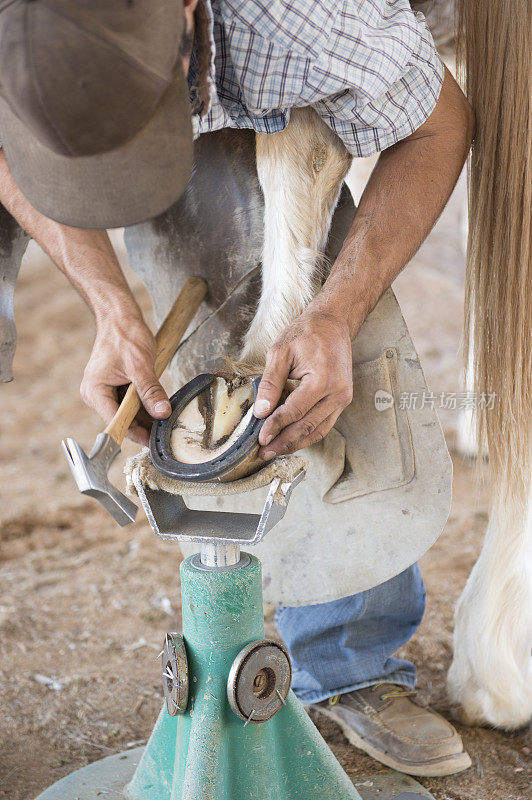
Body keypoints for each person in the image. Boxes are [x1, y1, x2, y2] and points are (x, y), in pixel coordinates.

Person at [0, 0, 474, 776]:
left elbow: (438, 124)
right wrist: (109, 304)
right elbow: (10, 147)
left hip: (264, 61)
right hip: (119, 81)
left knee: (306, 354)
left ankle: (350, 660)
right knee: (197, 309)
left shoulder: (298, 19)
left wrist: (334, 314)